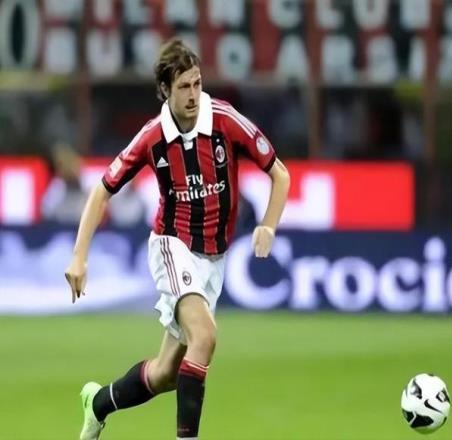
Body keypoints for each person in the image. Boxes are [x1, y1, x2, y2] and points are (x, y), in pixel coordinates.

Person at [64, 38, 290, 440]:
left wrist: (268, 226)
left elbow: (280, 173)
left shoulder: (224, 120)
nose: (193, 94)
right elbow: (101, 191)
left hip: (213, 259)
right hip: (172, 246)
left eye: (197, 83)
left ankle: (97, 403)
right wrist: (79, 257)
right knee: (205, 336)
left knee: (167, 373)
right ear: (165, 90)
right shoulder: (153, 136)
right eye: (184, 86)